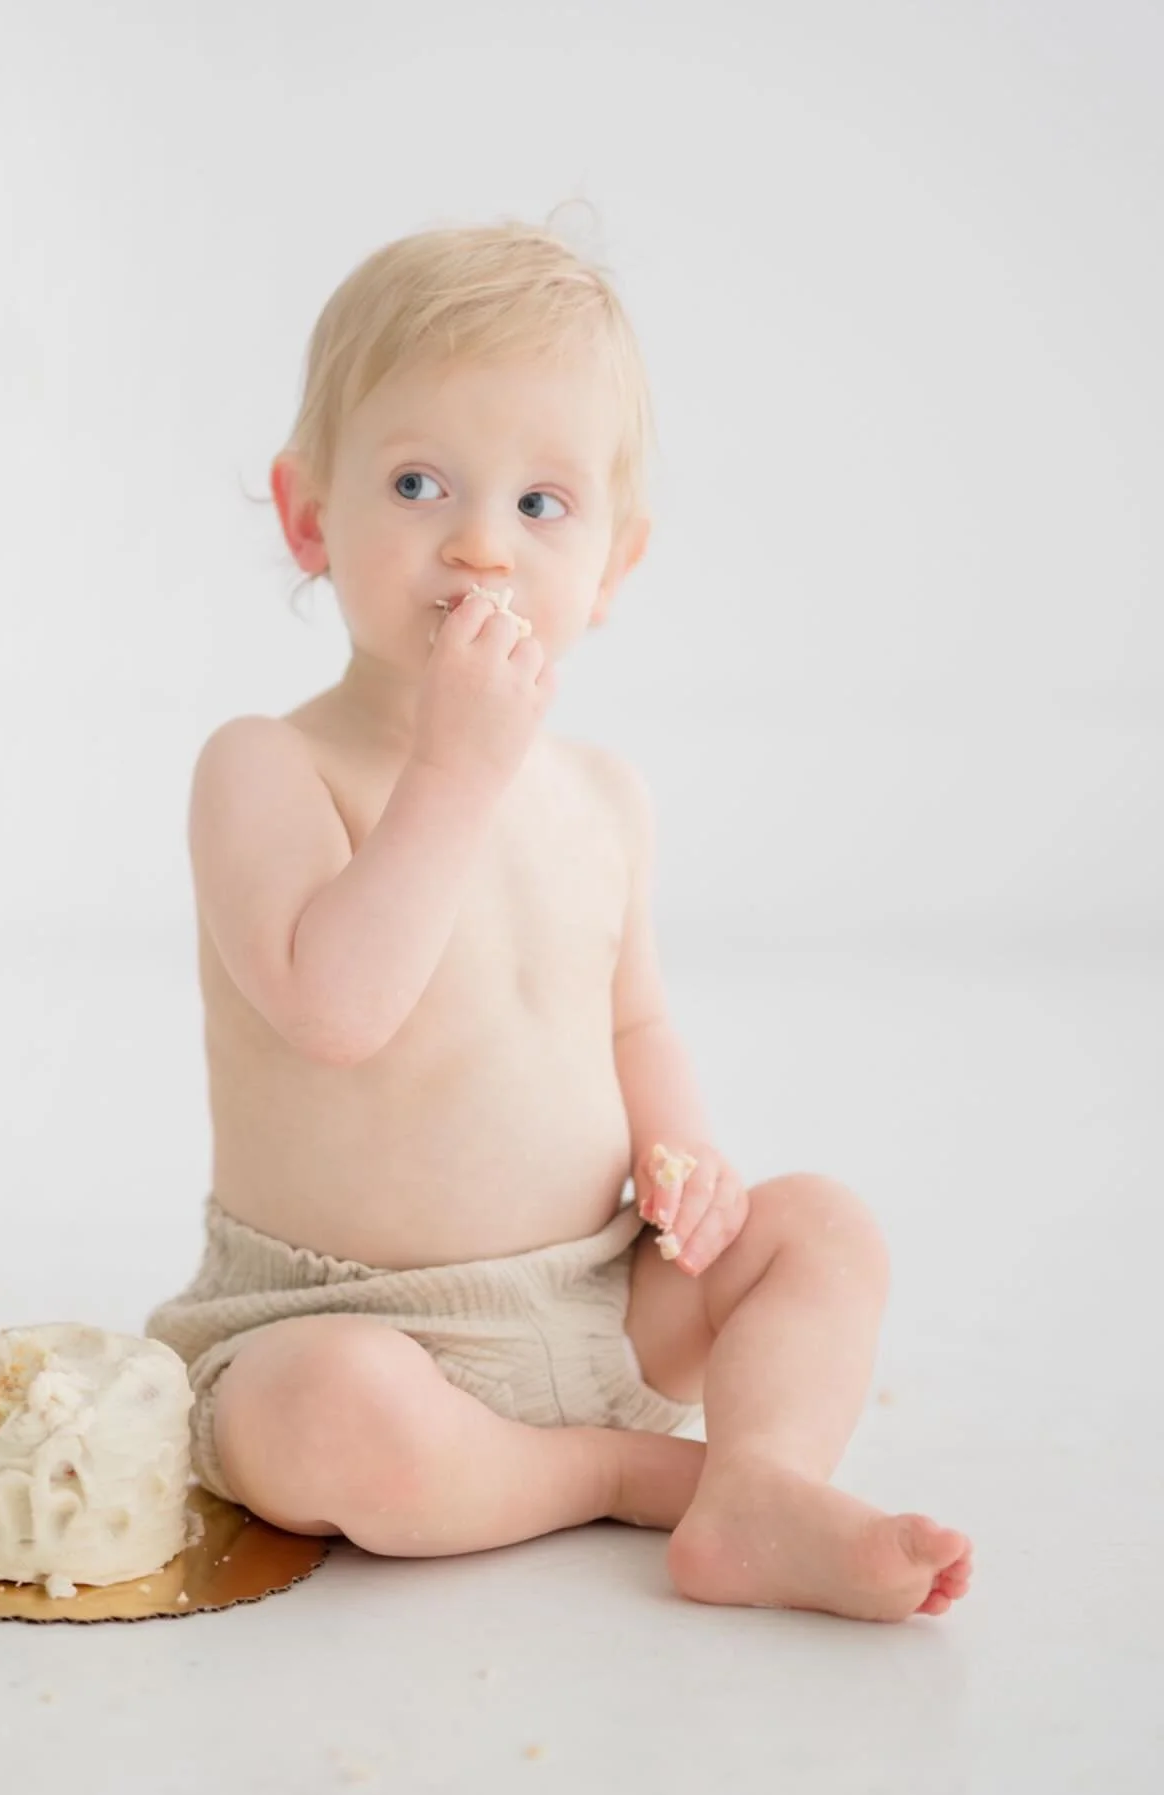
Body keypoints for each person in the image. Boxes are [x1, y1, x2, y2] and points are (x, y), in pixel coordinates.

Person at [145, 215, 973, 1620]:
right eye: (418, 483)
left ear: (616, 563)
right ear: (307, 516)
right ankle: (625, 1479)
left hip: (600, 1295)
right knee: (325, 1418)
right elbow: (336, 1008)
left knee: (827, 1232)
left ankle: (757, 1481)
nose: (480, 546)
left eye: (542, 506)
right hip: (341, 1322)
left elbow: (631, 1017)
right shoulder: (266, 767)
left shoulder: (606, 795)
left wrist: (688, 1157)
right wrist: (452, 773)